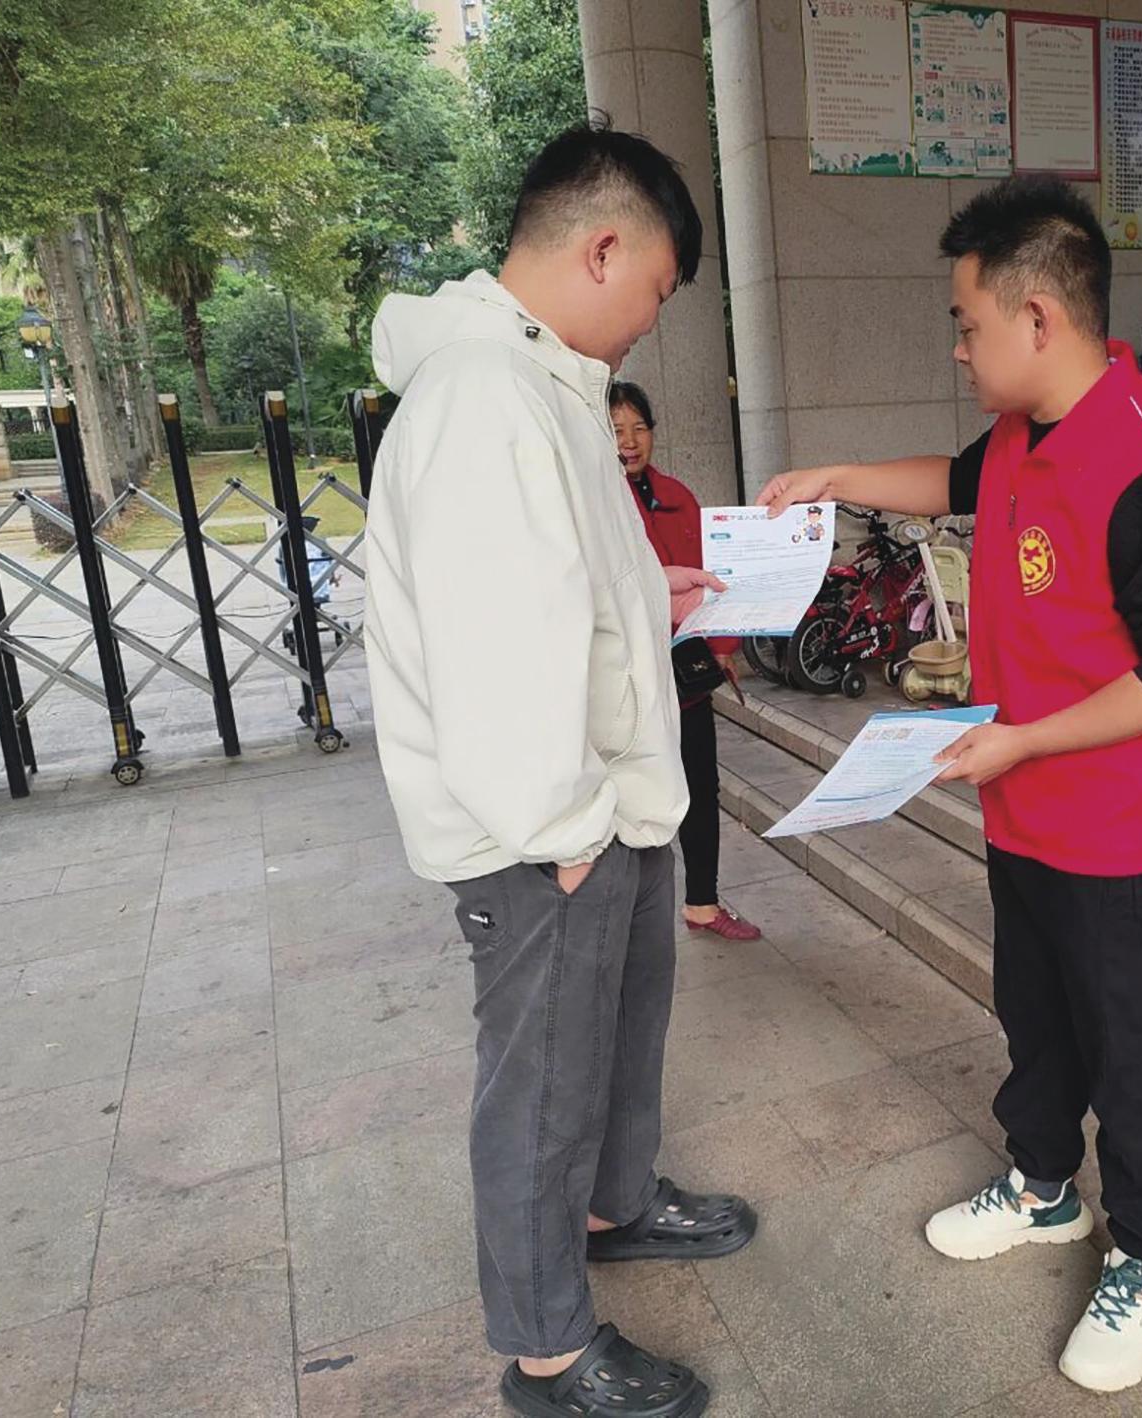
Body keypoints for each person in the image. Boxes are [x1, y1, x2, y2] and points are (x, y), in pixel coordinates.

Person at [757, 176, 1142, 1395]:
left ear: (1038, 316)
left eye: (968, 325)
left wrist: (1025, 741)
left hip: (1120, 824)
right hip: (1025, 808)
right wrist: (834, 477)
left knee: (1131, 1040)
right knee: (1036, 1007)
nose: (960, 348)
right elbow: (956, 482)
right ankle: (1042, 1184)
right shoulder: (1028, 430)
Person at [361, 122, 756, 1418]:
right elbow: (491, 647)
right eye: (656, 289)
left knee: (618, 1037)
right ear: (602, 248)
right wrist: (565, 829)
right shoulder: (484, 397)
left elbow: (563, 587)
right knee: (539, 1082)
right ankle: (545, 1349)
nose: (651, 320)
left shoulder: (549, 384)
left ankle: (614, 1201)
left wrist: (656, 595)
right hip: (543, 830)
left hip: (605, 804)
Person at [610, 378, 764, 937]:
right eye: (616, 430)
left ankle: (702, 903)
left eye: (639, 428)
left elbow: (711, 574)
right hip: (625, 678)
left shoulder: (678, 495)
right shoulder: (598, 503)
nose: (630, 441)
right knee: (630, 795)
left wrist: (723, 648)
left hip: (684, 671)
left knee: (701, 785)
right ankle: (622, 918)